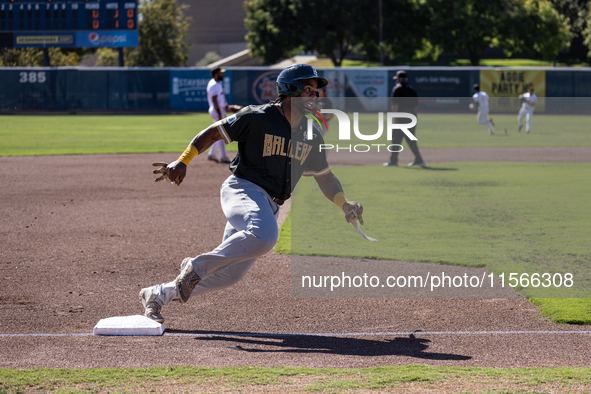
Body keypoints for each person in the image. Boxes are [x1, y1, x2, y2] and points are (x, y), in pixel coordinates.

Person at [141, 64, 366, 323]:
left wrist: (344, 204)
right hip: (242, 190)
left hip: (268, 204)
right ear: (290, 90)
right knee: (266, 235)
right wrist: (183, 160)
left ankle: (157, 295)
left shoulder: (311, 134)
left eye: (316, 91)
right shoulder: (258, 116)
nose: (315, 96)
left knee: (230, 275)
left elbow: (324, 177)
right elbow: (214, 132)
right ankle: (195, 267)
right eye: (308, 89)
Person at [383, 70, 425, 167]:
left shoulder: (397, 89)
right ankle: (419, 160)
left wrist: (395, 117)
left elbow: (395, 104)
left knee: (396, 139)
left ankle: (393, 161)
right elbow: (416, 106)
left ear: (398, 79)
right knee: (410, 138)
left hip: (401, 115)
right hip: (412, 115)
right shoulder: (412, 89)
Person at [206, 67, 242, 163]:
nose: (222, 74)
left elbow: (220, 100)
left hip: (219, 110)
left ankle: (212, 154)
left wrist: (227, 107)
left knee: (219, 133)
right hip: (217, 111)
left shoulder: (217, 84)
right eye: (220, 73)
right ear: (216, 74)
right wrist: (219, 114)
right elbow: (214, 100)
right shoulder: (213, 84)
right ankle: (224, 157)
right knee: (222, 133)